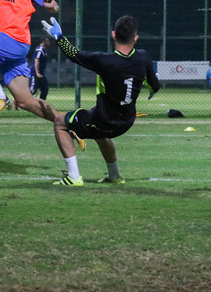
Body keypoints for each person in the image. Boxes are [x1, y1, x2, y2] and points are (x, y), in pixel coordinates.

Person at [41, 15, 161, 186]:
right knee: (100, 133)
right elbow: (155, 85)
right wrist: (152, 91)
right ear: (136, 38)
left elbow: (73, 54)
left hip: (104, 121)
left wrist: (59, 37)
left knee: (60, 122)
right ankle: (115, 176)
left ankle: (73, 177)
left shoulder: (104, 61)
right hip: (126, 121)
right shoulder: (143, 56)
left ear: (113, 35)